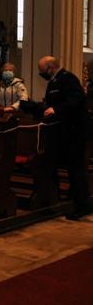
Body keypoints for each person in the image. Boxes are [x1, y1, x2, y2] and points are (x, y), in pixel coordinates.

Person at [37, 56, 91, 220]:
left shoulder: (68, 79)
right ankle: (73, 201)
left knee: (76, 170)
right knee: (70, 169)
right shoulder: (54, 82)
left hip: (74, 132)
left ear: (51, 67)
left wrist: (56, 109)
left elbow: (76, 99)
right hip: (62, 132)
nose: (41, 74)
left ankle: (82, 206)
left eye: (42, 70)